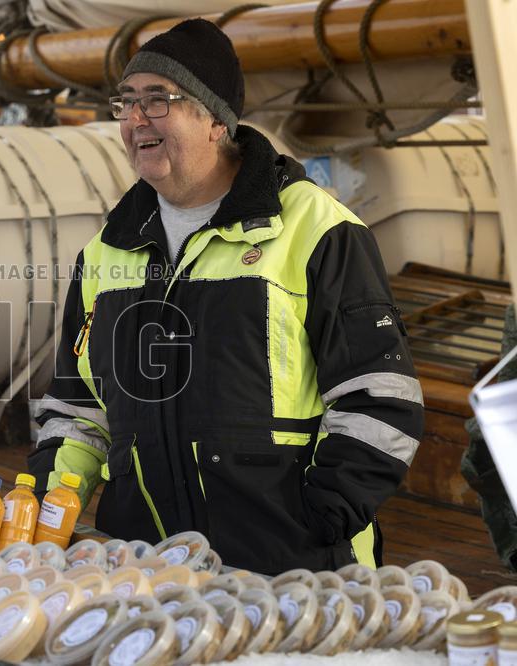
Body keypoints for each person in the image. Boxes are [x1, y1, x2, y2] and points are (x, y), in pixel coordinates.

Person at [28, 18, 424, 574]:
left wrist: (319, 520)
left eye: (157, 100)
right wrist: (41, 509)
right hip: (148, 571)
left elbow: (381, 399)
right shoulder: (105, 253)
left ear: (215, 119)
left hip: (295, 573)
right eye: (127, 102)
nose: (136, 118)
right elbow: (79, 413)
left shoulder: (315, 230)